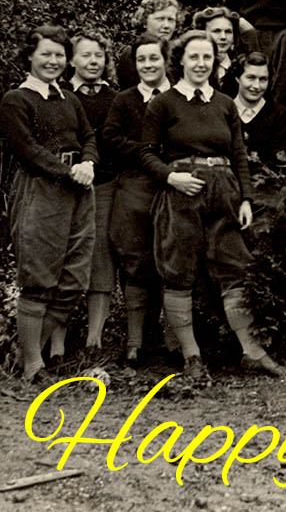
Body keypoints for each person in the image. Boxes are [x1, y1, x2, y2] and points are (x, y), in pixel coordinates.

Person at [140, 30, 284, 379]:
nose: (201, 63)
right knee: (178, 271)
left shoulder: (224, 104)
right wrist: (171, 178)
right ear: (181, 61)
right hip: (181, 193)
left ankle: (251, 350)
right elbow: (145, 153)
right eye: (194, 57)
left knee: (234, 268)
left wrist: (246, 198)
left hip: (224, 192)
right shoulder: (163, 104)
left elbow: (238, 155)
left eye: (207, 57)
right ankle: (191, 357)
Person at [0, 25, 96, 382]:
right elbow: (27, 149)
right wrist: (68, 172)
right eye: (46, 54)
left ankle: (23, 355)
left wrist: (87, 162)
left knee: (73, 281)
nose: (54, 61)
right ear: (30, 56)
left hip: (79, 189)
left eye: (59, 55)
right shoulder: (16, 99)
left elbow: (88, 136)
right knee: (39, 278)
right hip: (40, 188)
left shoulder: (70, 99)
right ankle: (33, 366)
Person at [48, 31, 119, 363]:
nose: (94, 62)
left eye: (99, 56)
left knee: (101, 258)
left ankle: (95, 341)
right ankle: (57, 344)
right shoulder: (57, 97)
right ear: (71, 60)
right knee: (64, 259)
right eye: (86, 55)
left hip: (103, 187)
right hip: (63, 187)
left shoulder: (115, 98)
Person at [103, 33, 172, 365]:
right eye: (141, 59)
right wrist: (147, 153)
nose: (148, 65)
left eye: (154, 58)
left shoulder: (178, 96)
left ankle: (167, 339)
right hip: (134, 186)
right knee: (136, 261)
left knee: (168, 259)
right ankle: (134, 342)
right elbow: (111, 138)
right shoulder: (125, 100)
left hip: (171, 186)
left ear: (165, 61)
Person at [233, 52, 286, 166]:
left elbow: (280, 162)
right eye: (251, 78)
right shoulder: (225, 110)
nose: (256, 86)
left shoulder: (280, 115)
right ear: (237, 78)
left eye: (263, 79)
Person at [116, 0, 181, 89]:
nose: (167, 26)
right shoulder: (132, 54)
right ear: (145, 21)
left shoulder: (178, 54)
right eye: (160, 19)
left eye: (171, 20)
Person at [192, 6, 242, 97]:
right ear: (202, 33)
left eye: (228, 32)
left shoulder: (240, 69)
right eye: (216, 31)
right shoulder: (192, 68)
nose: (223, 37)